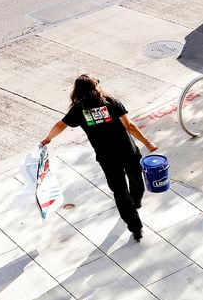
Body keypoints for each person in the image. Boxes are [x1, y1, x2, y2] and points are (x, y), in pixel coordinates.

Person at [41, 74, 158, 242]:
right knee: (136, 181)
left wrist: (48, 138)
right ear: (96, 86)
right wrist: (147, 143)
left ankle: (135, 226)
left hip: (107, 158)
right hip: (128, 152)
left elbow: (61, 125)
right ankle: (136, 203)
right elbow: (129, 126)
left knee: (119, 192)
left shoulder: (78, 109)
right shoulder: (110, 102)